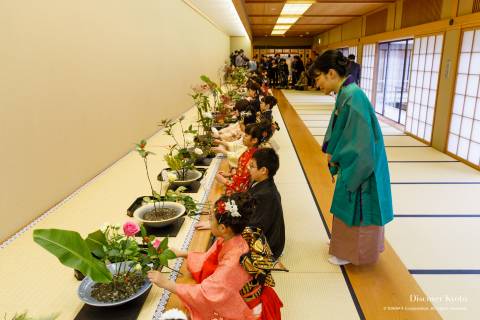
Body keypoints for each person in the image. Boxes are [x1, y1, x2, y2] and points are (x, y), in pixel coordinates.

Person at [307, 50, 394, 266]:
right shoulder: (347, 92)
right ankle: (343, 246)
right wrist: (333, 151)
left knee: (357, 207)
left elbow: (360, 143)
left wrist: (338, 156)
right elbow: (340, 130)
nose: (317, 85)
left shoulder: (353, 96)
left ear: (331, 73)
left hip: (362, 163)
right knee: (346, 206)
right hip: (354, 159)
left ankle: (351, 252)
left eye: (318, 78)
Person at [148, 193, 259, 319]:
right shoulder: (231, 237)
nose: (208, 222)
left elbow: (207, 294)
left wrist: (167, 284)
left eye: (211, 219)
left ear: (223, 228)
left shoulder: (233, 261)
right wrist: (183, 253)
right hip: (233, 286)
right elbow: (208, 259)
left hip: (244, 304)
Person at [248, 148, 285, 260]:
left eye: (252, 166)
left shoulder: (267, 195)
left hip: (268, 245)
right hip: (262, 229)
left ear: (263, 170)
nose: (249, 168)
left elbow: (256, 226)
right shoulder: (261, 182)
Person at [215, 123, 264, 195]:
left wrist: (224, 181)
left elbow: (243, 184)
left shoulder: (252, 158)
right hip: (236, 182)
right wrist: (229, 175)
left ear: (254, 140)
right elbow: (242, 173)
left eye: (246, 135)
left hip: (240, 192)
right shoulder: (249, 150)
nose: (243, 137)